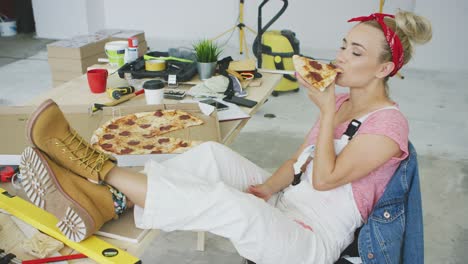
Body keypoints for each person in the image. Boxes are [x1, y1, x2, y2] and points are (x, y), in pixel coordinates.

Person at [18, 10, 431, 264]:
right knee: (213, 156)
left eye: (356, 53)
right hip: (288, 203)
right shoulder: (341, 102)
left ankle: (93, 168)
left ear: (384, 69)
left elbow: (324, 179)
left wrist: (324, 113)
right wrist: (267, 188)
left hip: (312, 242)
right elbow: (300, 162)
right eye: (344, 45)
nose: (340, 57)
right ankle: (102, 201)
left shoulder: (389, 126)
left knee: (227, 204)